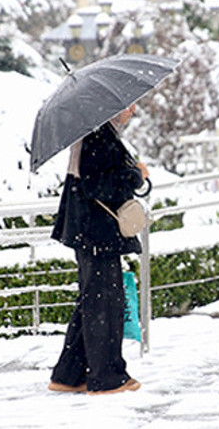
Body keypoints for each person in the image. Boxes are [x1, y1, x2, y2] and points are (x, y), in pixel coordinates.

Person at [47, 104, 149, 395]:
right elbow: (100, 185)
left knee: (93, 300)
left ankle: (68, 375)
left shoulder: (95, 133)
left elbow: (95, 180)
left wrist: (132, 173)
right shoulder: (97, 136)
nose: (133, 109)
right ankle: (106, 377)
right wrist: (135, 176)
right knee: (104, 303)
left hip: (88, 231)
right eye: (128, 105)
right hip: (96, 232)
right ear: (111, 105)